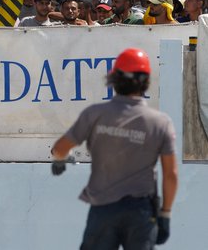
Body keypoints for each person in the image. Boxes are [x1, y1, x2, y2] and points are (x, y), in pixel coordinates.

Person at [51, 48, 177, 249]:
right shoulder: (160, 122)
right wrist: (166, 214)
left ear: (113, 79)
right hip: (141, 212)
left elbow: (59, 148)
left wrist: (60, 160)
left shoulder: (95, 114)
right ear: (146, 81)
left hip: (102, 210)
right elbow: (170, 174)